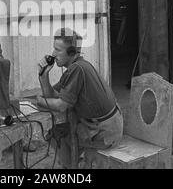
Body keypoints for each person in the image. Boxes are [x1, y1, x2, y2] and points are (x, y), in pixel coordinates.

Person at [37, 28, 123, 169]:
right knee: (60, 130)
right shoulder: (77, 68)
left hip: (105, 131)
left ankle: (74, 166)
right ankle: (72, 164)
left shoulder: (77, 69)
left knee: (58, 134)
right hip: (106, 126)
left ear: (71, 53)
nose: (53, 54)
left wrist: (40, 101)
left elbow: (61, 105)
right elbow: (52, 94)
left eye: (58, 50)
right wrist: (43, 76)